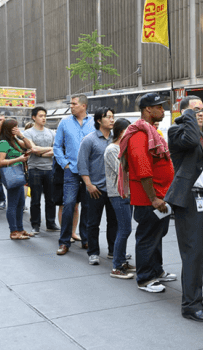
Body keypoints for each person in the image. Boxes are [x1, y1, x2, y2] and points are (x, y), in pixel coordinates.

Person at [165, 95, 203, 322]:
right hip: (189, 200)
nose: (200, 113)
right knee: (192, 254)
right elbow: (188, 141)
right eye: (195, 110)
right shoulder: (178, 131)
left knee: (198, 253)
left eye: (202, 109)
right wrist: (187, 116)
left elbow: (198, 161)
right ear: (184, 113)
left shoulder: (198, 134)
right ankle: (190, 305)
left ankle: (196, 296)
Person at [120, 93, 176, 293]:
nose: (162, 110)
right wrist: (153, 198)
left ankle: (157, 271)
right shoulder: (139, 136)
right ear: (147, 110)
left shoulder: (151, 133)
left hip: (159, 196)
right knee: (147, 237)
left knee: (157, 235)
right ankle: (144, 279)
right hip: (149, 200)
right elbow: (143, 171)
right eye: (158, 107)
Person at [53, 95, 95, 256]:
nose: (71, 106)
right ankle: (64, 241)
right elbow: (57, 147)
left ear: (84, 106)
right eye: (71, 103)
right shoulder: (64, 123)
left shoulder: (94, 123)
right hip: (71, 170)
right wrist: (65, 164)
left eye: (74, 104)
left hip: (90, 172)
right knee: (69, 204)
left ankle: (86, 239)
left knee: (88, 206)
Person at [78, 107, 118, 266]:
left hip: (114, 189)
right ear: (99, 120)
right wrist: (89, 185)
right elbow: (82, 164)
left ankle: (113, 250)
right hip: (96, 189)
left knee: (114, 222)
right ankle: (93, 252)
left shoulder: (116, 139)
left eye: (113, 117)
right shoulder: (89, 140)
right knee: (93, 222)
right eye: (108, 117)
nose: (112, 119)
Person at [104, 118, 136, 279]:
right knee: (124, 229)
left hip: (126, 193)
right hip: (118, 193)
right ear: (122, 132)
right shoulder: (112, 150)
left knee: (124, 228)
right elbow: (123, 171)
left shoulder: (123, 148)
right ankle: (117, 266)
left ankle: (122, 261)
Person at [0, 119, 34, 240]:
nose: (16, 129)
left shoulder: (15, 140)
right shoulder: (3, 143)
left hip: (19, 174)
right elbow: (0, 162)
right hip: (11, 175)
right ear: (8, 129)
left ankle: (20, 229)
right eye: (14, 127)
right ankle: (13, 231)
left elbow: (29, 146)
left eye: (17, 127)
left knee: (20, 203)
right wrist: (18, 159)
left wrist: (21, 135)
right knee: (13, 204)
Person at [24, 106, 59, 233]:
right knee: (35, 198)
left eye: (45, 115)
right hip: (35, 169)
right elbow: (32, 149)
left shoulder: (51, 133)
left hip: (50, 169)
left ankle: (51, 223)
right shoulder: (28, 133)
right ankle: (35, 224)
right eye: (40, 116)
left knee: (51, 198)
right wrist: (41, 150)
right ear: (34, 117)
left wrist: (39, 151)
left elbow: (56, 150)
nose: (43, 118)